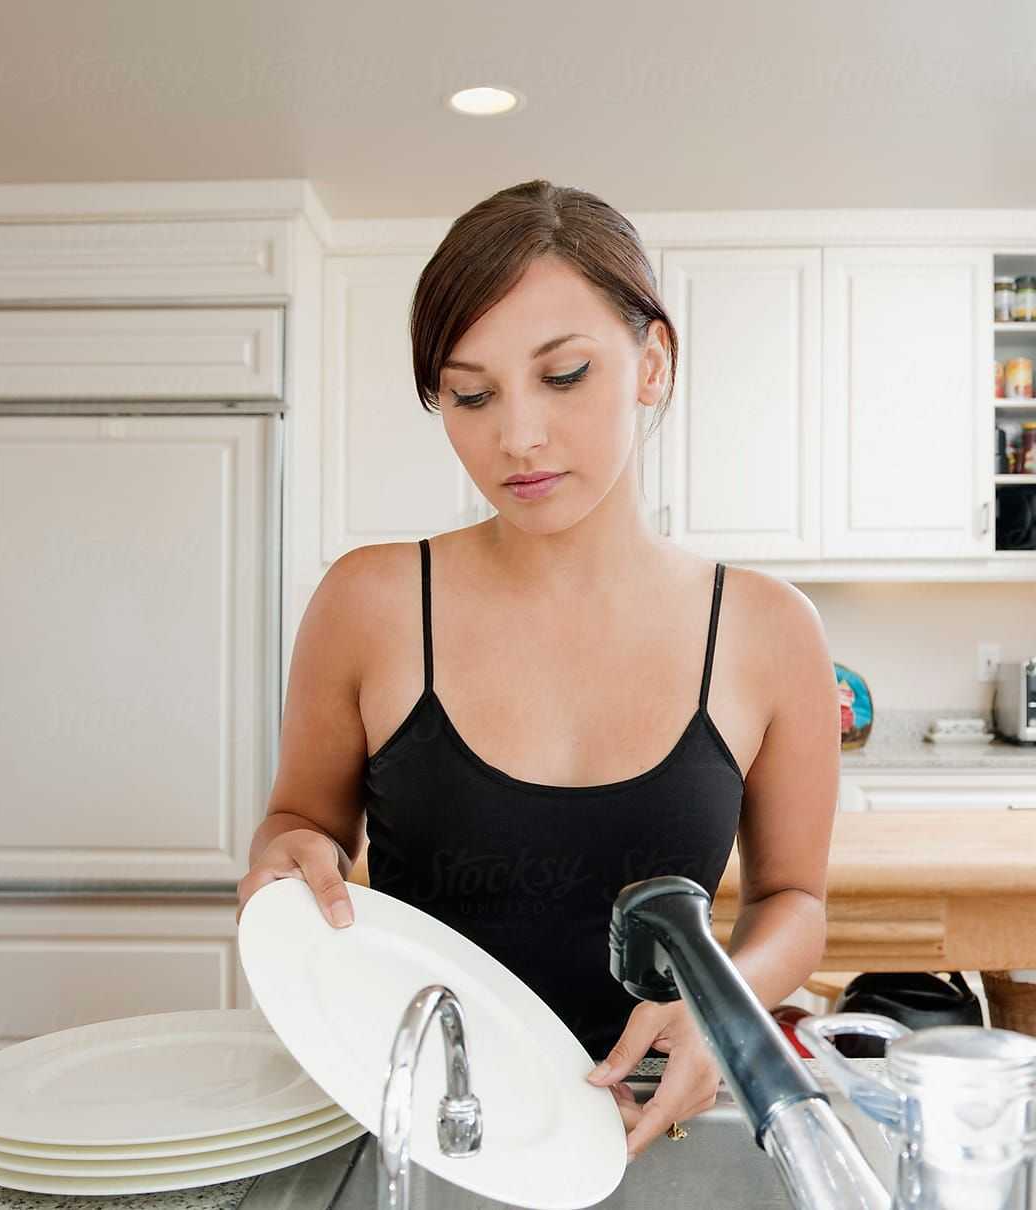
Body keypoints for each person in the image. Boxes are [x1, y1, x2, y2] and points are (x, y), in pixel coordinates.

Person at [237, 179, 840, 1162]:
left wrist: (728, 1008)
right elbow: (299, 822)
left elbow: (794, 904)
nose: (515, 435)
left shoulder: (768, 631)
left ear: (653, 363)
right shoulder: (370, 603)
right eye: (471, 395)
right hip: (414, 1110)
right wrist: (282, 862)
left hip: (650, 1112)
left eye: (562, 376)